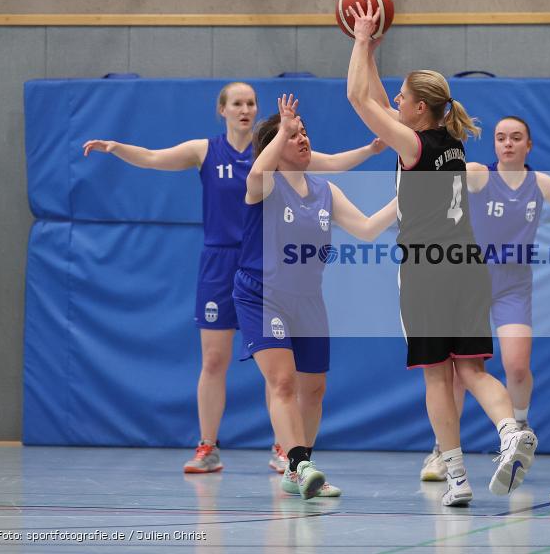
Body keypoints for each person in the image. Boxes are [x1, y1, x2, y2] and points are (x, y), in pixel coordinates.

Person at [83, 82, 385, 476]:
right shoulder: (213, 152)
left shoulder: (285, 159)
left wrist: (371, 149)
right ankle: (209, 444)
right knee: (217, 358)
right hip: (225, 261)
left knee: (285, 371)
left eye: (251, 103)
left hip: (278, 266)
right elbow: (157, 157)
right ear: (222, 110)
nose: (244, 108)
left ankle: (287, 449)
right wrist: (116, 148)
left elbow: (332, 166)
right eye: (237, 103)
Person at [346, 1, 537, 507]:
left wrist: (361, 40)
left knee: (437, 375)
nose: (395, 100)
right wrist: (372, 51)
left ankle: (456, 475)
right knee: (472, 372)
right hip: (468, 267)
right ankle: (510, 430)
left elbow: (356, 97)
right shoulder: (448, 141)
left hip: (427, 271)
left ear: (418, 111)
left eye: (403, 97)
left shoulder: (413, 148)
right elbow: (374, 95)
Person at [234, 93, 397, 499]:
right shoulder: (265, 185)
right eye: (293, 135)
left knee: (314, 389)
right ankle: (297, 464)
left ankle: (300, 462)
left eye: (305, 132)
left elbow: (366, 229)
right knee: (283, 382)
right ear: (275, 146)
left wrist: (407, 196)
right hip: (262, 295)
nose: (302, 138)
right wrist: (281, 130)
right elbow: (257, 170)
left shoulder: (326, 192)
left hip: (307, 299)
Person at [420, 116, 550, 481]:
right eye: (501, 137)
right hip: (469, 281)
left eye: (516, 137)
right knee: (458, 374)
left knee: (517, 365)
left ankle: (519, 429)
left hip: (513, 285)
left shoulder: (542, 183)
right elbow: (455, 171)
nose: (507, 143)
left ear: (529, 145)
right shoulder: (479, 174)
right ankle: (443, 451)